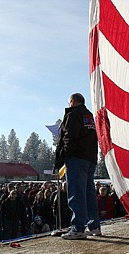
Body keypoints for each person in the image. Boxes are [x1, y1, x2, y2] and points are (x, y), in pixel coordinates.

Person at [55, 92, 100, 239]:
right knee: (89, 193)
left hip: (76, 158)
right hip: (90, 159)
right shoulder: (90, 117)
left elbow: (70, 136)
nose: (68, 104)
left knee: (76, 193)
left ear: (73, 102)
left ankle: (78, 228)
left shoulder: (73, 115)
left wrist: (65, 155)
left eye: (69, 102)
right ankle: (94, 226)